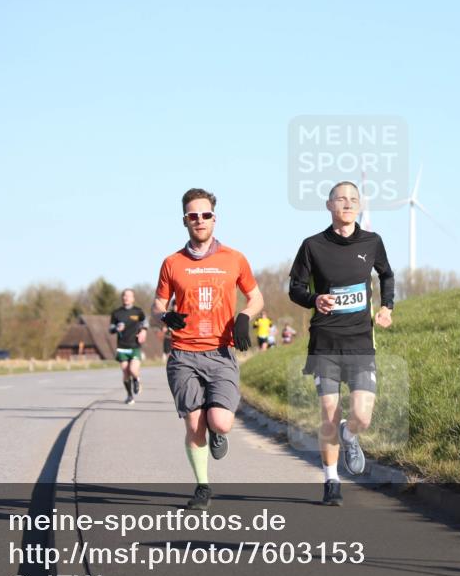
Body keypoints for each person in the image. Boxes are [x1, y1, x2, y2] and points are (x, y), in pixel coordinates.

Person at [153, 187, 264, 510]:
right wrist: (164, 315)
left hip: (221, 352)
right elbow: (157, 304)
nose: (199, 220)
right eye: (193, 215)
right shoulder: (172, 263)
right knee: (193, 423)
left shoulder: (234, 258)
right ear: (185, 220)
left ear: (215, 219)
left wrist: (245, 316)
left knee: (221, 422)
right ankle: (202, 487)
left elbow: (256, 297)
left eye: (205, 215)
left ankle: (218, 432)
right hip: (184, 354)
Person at [289, 181, 394, 506]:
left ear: (359, 206)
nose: (347, 204)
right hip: (325, 343)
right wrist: (314, 298)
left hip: (361, 342)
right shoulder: (312, 245)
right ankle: (331, 480)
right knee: (329, 413)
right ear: (329, 205)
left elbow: (386, 275)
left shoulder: (372, 241)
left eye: (353, 200)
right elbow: (294, 287)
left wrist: (387, 307)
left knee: (362, 416)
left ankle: (350, 435)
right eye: (341, 199)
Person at [110, 289, 148, 405]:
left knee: (133, 370)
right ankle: (129, 395)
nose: (126, 298)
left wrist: (143, 331)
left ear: (133, 298)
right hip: (122, 347)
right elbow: (110, 329)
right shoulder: (116, 313)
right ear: (122, 298)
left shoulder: (138, 311)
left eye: (128, 296)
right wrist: (116, 328)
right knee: (125, 372)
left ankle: (137, 380)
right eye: (124, 296)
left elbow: (145, 323)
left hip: (135, 346)